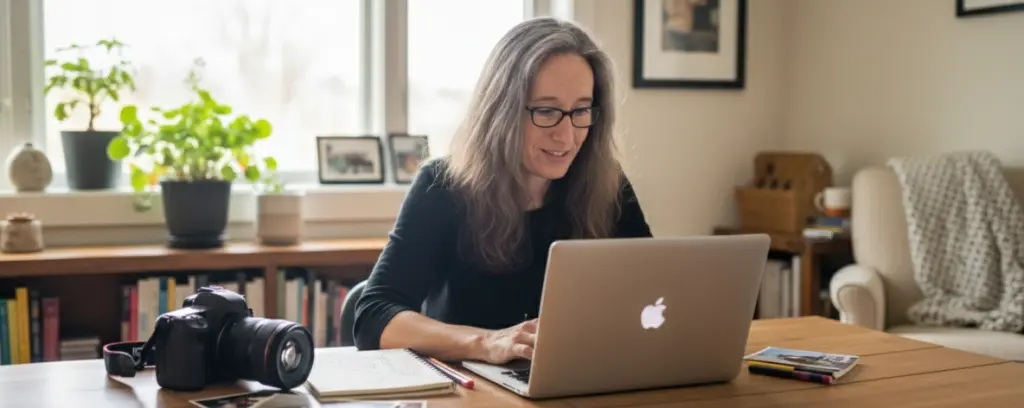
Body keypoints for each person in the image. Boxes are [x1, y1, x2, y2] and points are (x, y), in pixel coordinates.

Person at [352, 17, 653, 365]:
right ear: (502, 112)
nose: (567, 136)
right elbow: (374, 317)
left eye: (581, 110)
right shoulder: (443, 186)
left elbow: (654, 298)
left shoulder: (608, 184)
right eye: (546, 111)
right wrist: (486, 342)